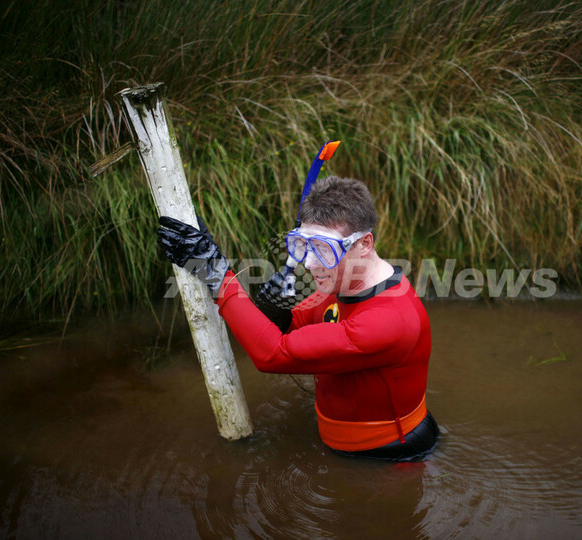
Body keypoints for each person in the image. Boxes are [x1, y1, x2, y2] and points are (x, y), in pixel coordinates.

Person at [157, 176, 438, 461]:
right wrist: (277, 314)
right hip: (346, 445)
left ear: (364, 244)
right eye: (304, 245)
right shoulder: (342, 282)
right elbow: (294, 330)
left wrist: (219, 276)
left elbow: (273, 354)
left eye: (325, 248)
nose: (311, 263)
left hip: (390, 458)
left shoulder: (389, 322)